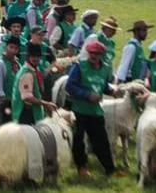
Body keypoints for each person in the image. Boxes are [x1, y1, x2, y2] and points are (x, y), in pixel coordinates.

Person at [66, 40, 123, 177]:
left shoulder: (104, 69)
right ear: (88, 53)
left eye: (97, 54)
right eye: (92, 53)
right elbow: (70, 86)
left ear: (102, 55)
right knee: (78, 141)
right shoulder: (80, 67)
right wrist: (87, 95)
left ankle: (109, 169)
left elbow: (102, 86)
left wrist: (112, 91)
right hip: (78, 110)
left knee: (101, 141)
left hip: (95, 111)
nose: (94, 56)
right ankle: (82, 167)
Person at [12, 43, 57, 125]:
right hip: (26, 114)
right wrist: (46, 104)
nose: (35, 58)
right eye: (33, 56)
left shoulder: (32, 70)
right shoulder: (27, 74)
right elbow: (27, 97)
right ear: (28, 57)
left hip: (30, 112)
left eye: (38, 56)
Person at [0, 36, 20, 103]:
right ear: (6, 47)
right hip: (3, 105)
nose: (13, 50)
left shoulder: (18, 64)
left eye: (16, 48)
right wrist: (5, 104)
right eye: (11, 47)